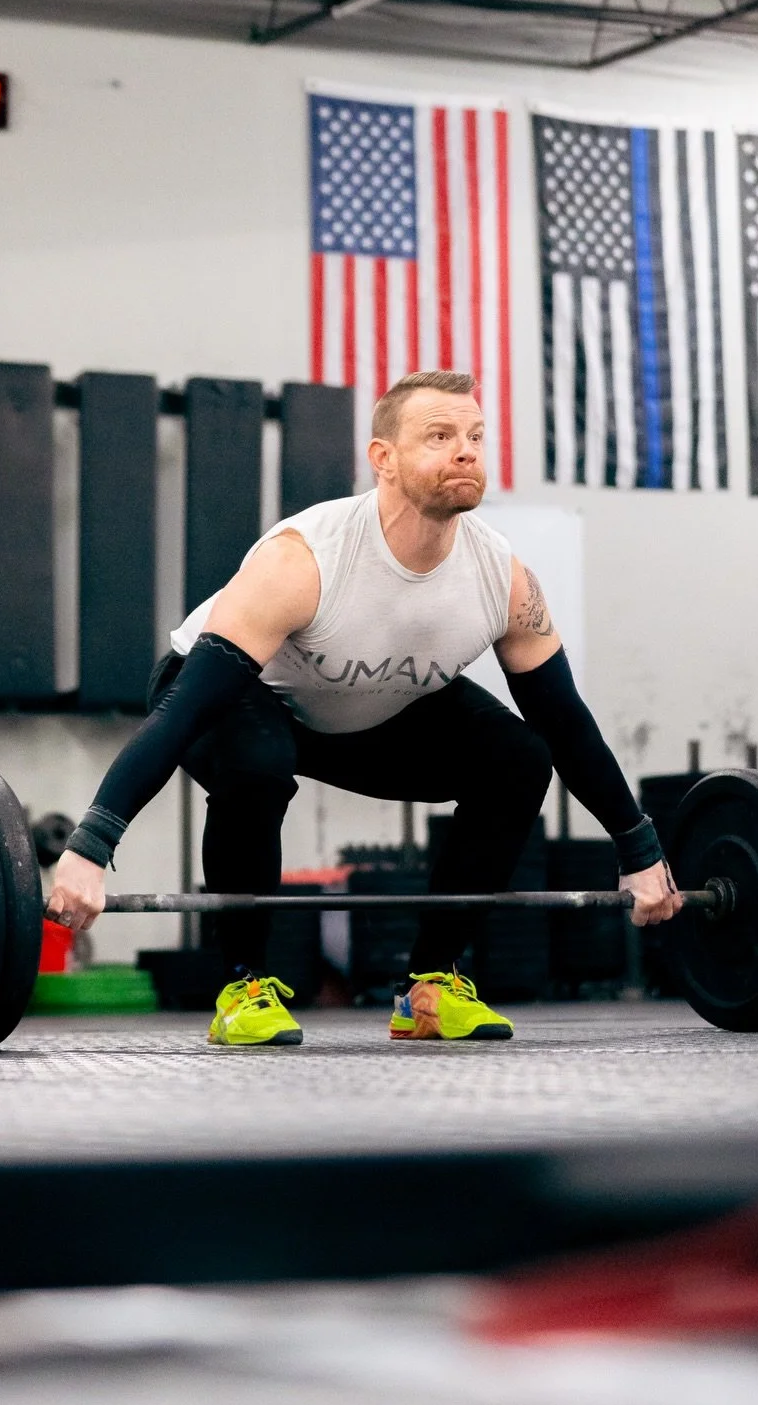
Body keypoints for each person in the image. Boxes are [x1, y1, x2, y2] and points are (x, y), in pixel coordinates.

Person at [47, 370, 680, 1047]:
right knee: (259, 763)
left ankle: (431, 986)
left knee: (520, 756)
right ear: (383, 459)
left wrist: (640, 851)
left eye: (474, 436)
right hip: (240, 699)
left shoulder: (503, 578)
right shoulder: (306, 560)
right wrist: (88, 849)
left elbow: (566, 723)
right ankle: (243, 986)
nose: (465, 451)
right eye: (439, 437)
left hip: (368, 710)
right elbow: (181, 714)